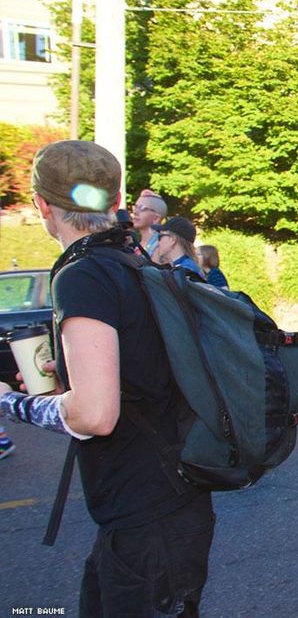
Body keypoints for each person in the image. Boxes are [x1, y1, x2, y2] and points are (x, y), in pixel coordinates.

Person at [0, 140, 214, 616]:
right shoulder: (133, 262)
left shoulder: (83, 275)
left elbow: (96, 415)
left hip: (147, 517)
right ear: (117, 203)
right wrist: (75, 380)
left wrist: (14, 403)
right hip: (167, 504)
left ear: (41, 206)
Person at [131, 188, 167, 256]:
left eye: (142, 208)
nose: (135, 212)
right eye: (135, 207)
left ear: (156, 218)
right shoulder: (137, 244)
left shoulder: (160, 246)